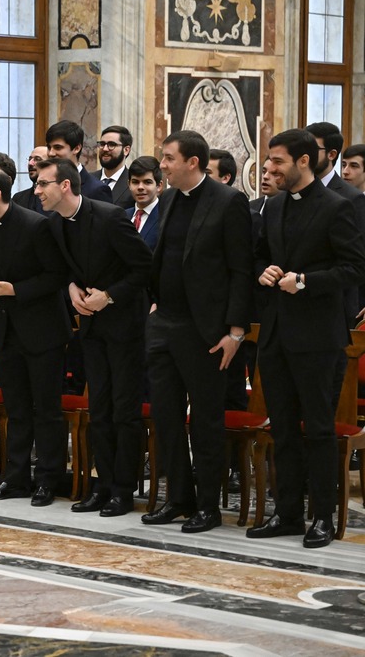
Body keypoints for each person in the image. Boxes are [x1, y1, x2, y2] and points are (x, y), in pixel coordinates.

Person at [247, 129, 365, 548]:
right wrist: (265, 273)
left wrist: (306, 281)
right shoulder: (274, 207)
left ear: (303, 162)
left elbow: (354, 269)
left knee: (317, 429)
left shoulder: (338, 208)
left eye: (277, 161)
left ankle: (322, 516)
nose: (270, 168)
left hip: (318, 336)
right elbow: (260, 255)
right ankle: (288, 513)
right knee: (281, 427)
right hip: (276, 333)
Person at [141, 129, 252, 534]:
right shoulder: (168, 198)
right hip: (164, 324)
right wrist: (155, 304)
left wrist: (235, 332)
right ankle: (178, 498)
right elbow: (162, 258)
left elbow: (242, 271)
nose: (162, 164)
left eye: (168, 158)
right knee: (167, 418)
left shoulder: (229, 201)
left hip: (206, 331)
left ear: (192, 162)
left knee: (205, 420)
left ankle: (208, 505)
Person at [42, 158, 152, 516]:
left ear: (65, 186)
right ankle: (101, 485)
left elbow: (145, 267)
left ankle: (123, 489)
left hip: (125, 327)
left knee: (124, 411)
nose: (37, 190)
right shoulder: (56, 224)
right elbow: (61, 270)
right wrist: (72, 289)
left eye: (44, 184)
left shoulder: (110, 216)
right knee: (99, 410)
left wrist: (110, 294)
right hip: (91, 327)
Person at [0, 165, 69, 505]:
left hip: (43, 332)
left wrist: (14, 290)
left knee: (46, 410)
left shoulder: (36, 225)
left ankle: (48, 480)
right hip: (7, 332)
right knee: (17, 409)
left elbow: (56, 276)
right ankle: (15, 478)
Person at [44, 120, 113, 204]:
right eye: (49, 147)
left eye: (58, 147)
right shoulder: (44, 185)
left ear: (76, 148)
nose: (51, 153)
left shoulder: (97, 190)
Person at [126, 156, 163, 251]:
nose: (140, 187)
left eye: (147, 182)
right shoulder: (122, 216)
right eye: (135, 182)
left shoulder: (166, 217)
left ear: (159, 186)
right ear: (129, 184)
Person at [93, 125, 135, 208]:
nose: (105, 149)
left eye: (111, 145)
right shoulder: (87, 179)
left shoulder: (134, 182)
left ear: (126, 150)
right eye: (102, 144)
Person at [12, 146, 48, 211]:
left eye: (37, 159)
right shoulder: (18, 198)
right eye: (29, 159)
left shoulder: (58, 198)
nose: (30, 163)